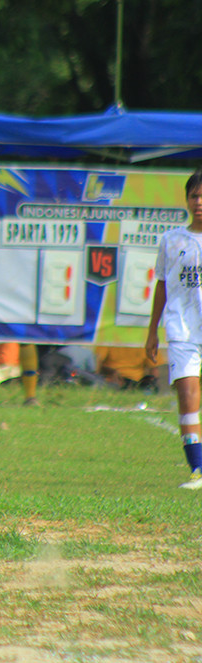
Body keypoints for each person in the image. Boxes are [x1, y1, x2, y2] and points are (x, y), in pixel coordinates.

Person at [145, 168, 202, 490]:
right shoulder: (171, 240)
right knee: (187, 393)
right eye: (194, 195)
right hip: (182, 329)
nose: (199, 202)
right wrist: (152, 331)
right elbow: (163, 285)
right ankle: (198, 470)